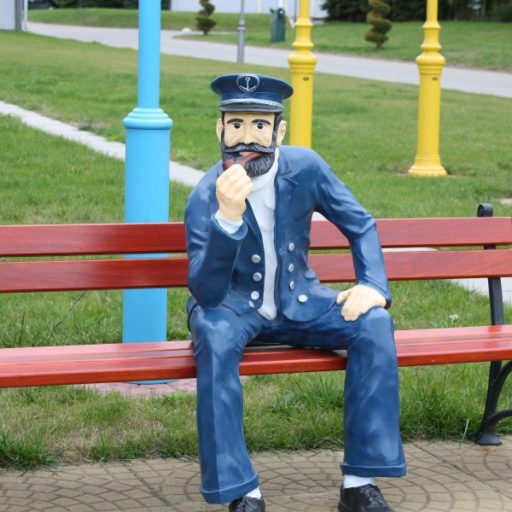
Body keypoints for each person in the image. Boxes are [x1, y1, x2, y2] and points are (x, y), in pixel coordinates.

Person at [184, 73, 406, 512]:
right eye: (236, 124)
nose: (247, 138)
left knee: (374, 323)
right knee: (212, 335)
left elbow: (361, 224)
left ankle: (360, 483)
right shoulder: (206, 195)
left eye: (260, 125)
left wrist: (373, 285)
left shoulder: (306, 169)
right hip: (231, 307)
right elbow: (206, 292)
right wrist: (227, 219)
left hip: (299, 302)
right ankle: (241, 490)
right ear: (219, 129)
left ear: (279, 131)